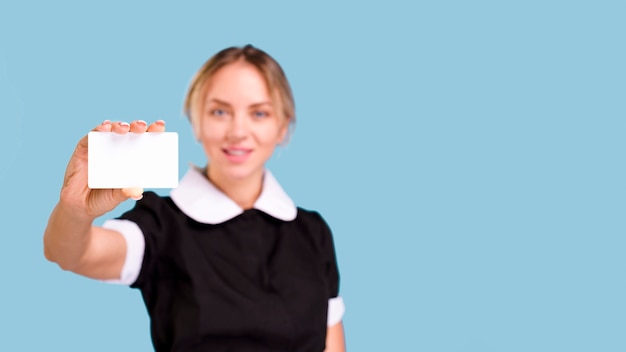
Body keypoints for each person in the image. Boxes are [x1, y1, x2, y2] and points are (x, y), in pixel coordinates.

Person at [43, 45, 346, 352]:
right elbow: (70, 253)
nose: (238, 131)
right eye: (219, 112)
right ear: (196, 121)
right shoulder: (161, 225)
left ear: (282, 126)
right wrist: (75, 210)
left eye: (259, 113)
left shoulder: (313, 232)